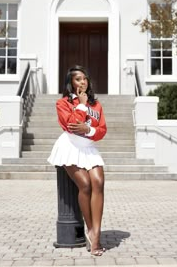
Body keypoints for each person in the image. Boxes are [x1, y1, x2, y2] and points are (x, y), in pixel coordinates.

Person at [47, 65, 107, 256]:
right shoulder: (62, 103)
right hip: (70, 147)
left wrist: (89, 130)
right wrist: (80, 105)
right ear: (71, 83)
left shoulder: (96, 105)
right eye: (78, 79)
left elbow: (102, 130)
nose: (83, 82)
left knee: (98, 182)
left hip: (88, 147)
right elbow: (71, 125)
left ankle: (96, 233)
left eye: (85, 78)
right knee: (86, 185)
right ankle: (91, 232)